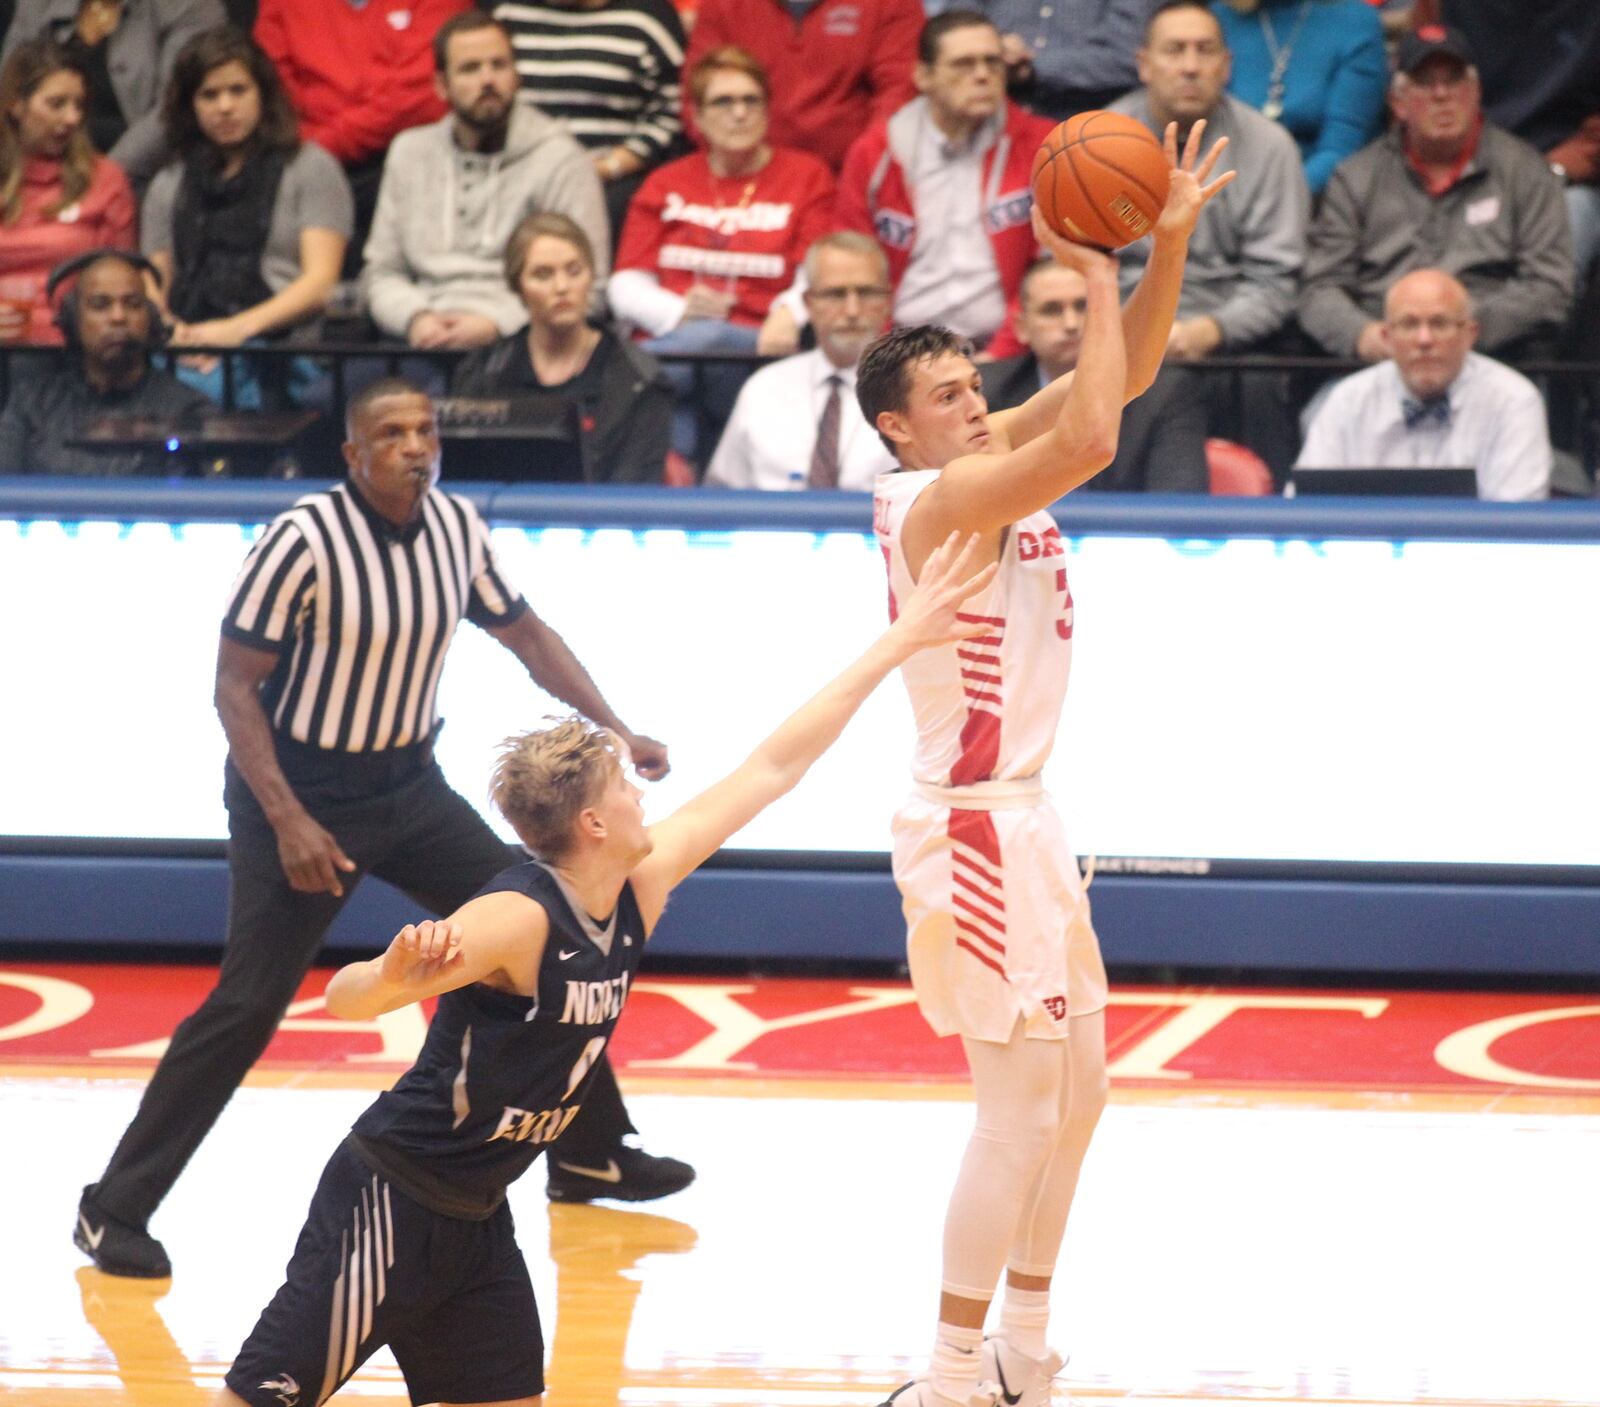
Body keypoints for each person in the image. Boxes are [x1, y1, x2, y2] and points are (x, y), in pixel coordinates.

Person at [207, 528, 997, 1407]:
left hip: (476, 1219)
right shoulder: (515, 919)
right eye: (625, 785)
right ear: (590, 822)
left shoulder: (637, 884)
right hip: (389, 1201)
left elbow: (773, 766)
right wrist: (392, 972)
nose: (643, 795)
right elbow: (344, 999)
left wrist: (898, 641)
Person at [73, 376, 690, 1281]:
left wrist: (617, 727)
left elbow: (526, 635)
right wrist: (287, 819)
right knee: (247, 1004)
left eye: (426, 428)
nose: (415, 445)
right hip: (299, 791)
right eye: (391, 432)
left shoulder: (453, 528)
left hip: (408, 783)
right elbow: (232, 687)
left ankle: (591, 1149)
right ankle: (111, 1206)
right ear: (352, 453)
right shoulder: (301, 540)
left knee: (550, 923)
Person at [861, 123, 1229, 1407]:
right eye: (949, 397)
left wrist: (1160, 245)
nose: (972, 400)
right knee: (1015, 1114)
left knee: (1080, 1094)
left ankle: (1022, 1340)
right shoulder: (931, 499)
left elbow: (1106, 396)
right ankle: (949, 1371)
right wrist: (1092, 260)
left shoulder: (975, 461)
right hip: (968, 828)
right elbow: (1087, 443)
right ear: (899, 433)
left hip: (1026, 821)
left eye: (974, 385)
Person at [1297, 24, 1574, 363]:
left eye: (1454, 80)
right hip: (1378, 360)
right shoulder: (1355, 177)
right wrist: (1366, 336)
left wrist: (1460, 333)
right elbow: (1319, 288)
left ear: (1475, 92)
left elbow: (1549, 286)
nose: (1441, 95)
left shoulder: (1526, 171)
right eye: (1425, 83)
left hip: (1493, 359)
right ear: (1397, 102)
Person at [609, 44, 834, 460]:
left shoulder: (807, 177)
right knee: (684, 367)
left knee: (675, 356)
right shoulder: (665, 181)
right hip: (676, 344)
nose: (739, 113)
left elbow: (817, 271)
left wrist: (789, 313)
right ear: (696, 116)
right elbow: (625, 282)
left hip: (757, 349)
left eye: (751, 100)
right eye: (723, 101)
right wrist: (676, 312)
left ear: (767, 109)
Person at [363, 10, 609, 354]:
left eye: (499, 65)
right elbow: (381, 272)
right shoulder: (409, 152)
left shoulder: (562, 159)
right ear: (440, 85)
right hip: (420, 341)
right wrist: (415, 318)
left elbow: (591, 288)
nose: (487, 80)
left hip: (524, 347)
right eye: (470, 68)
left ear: (517, 76)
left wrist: (496, 323)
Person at [142, 25, 352, 405]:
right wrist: (177, 334)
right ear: (190, 105)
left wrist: (235, 330)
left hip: (282, 347)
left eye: (237, 91)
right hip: (189, 344)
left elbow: (321, 283)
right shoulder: (169, 181)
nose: (225, 106)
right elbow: (153, 283)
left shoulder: (310, 167)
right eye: (209, 95)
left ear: (262, 95)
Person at [836, 10, 1055, 350]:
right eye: (963, 64)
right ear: (923, 76)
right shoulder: (875, 154)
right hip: (903, 350)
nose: (982, 75)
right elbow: (853, 270)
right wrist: (889, 359)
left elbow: (1052, 264)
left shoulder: (1043, 147)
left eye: (992, 62)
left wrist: (1002, 355)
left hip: (1009, 354)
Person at [452, 211, 673, 483]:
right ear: (517, 286)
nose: (562, 287)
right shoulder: (483, 371)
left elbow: (635, 495)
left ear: (591, 276)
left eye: (574, 270)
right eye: (543, 274)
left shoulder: (639, 379)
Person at [253, 0, 472, 272]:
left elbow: (419, 97)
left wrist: (321, 145)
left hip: (413, 163)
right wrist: (313, 156)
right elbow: (273, 92)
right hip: (305, 165)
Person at [1295, 268, 1551, 500]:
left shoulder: (1514, 402)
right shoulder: (1348, 401)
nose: (1424, 339)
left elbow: (1517, 521)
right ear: (1387, 336)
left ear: (1469, 335)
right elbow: (1306, 509)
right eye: (1409, 324)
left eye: (1439, 324)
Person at [981, 257, 1207, 491]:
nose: (1071, 324)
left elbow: (1179, 505)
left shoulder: (1166, 392)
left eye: (1082, 306)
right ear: (1021, 328)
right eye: (1051, 310)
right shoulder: (986, 393)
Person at [705, 231, 896, 491]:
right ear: (808, 303)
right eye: (836, 294)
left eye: (866, 293)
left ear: (887, 300)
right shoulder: (763, 389)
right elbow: (722, 495)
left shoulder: (915, 393)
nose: (852, 311)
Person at [490, 0, 686, 248]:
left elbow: (676, 109)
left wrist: (608, 167)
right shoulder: (506, 12)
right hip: (515, 172)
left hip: (612, 178)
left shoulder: (648, 18)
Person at [0, 247, 211, 472]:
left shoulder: (189, 410)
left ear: (151, 318)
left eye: (132, 304)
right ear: (73, 318)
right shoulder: (31, 407)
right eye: (100, 305)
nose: (118, 317)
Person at [2, 0, 225, 186]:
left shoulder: (189, 6)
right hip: (33, 168)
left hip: (139, 173)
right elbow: (10, 85)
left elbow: (174, 107)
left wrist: (103, 179)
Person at [682, 0, 921, 173]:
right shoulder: (721, 5)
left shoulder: (892, 4)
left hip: (849, 176)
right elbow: (698, 94)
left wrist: (865, 166)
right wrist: (738, 164)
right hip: (744, 170)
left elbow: (899, 92)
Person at [0, 36, 133, 343]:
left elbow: (121, 284)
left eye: (79, 105)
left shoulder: (106, 179)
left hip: (71, 353)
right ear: (16, 106)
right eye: (57, 104)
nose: (72, 118)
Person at [1214, 0, 1388, 196]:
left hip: (1322, 204)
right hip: (1225, 196)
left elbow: (1341, 150)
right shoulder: (1219, 18)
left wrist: (1271, 201)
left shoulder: (1355, 22)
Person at [925, 0, 1152, 121]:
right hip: (989, 120)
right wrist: (994, 46)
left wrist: (1033, 69)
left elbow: (1128, 59)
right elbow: (953, 28)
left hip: (1085, 126)